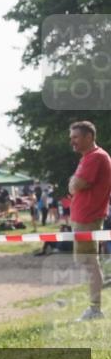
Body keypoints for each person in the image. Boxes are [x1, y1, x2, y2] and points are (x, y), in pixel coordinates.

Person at [67, 121, 111, 321]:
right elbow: (73, 185)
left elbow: (77, 184)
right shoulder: (89, 157)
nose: (72, 142)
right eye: (72, 137)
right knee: (88, 262)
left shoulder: (95, 157)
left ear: (89, 137)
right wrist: (73, 183)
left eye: (76, 137)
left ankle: (95, 309)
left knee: (89, 262)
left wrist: (74, 182)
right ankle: (94, 308)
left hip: (87, 217)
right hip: (83, 217)